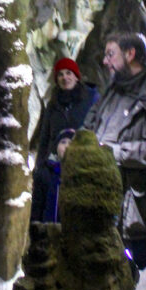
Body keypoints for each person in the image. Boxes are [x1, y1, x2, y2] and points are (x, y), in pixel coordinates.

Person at [85, 32, 146, 269]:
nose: (105, 62)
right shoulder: (111, 94)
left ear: (130, 54)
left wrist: (112, 152)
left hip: (138, 211)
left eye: (110, 54)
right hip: (104, 206)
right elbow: (89, 126)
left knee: (143, 277)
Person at [32, 58, 98, 222]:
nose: (65, 77)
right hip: (56, 166)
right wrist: (40, 166)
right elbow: (45, 137)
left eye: (69, 73)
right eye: (60, 74)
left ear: (76, 76)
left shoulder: (91, 100)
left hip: (84, 165)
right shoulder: (53, 105)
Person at [30, 127, 75, 224]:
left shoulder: (79, 174)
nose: (66, 146)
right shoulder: (45, 170)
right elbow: (37, 203)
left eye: (70, 143)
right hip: (46, 230)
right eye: (63, 142)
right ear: (56, 146)